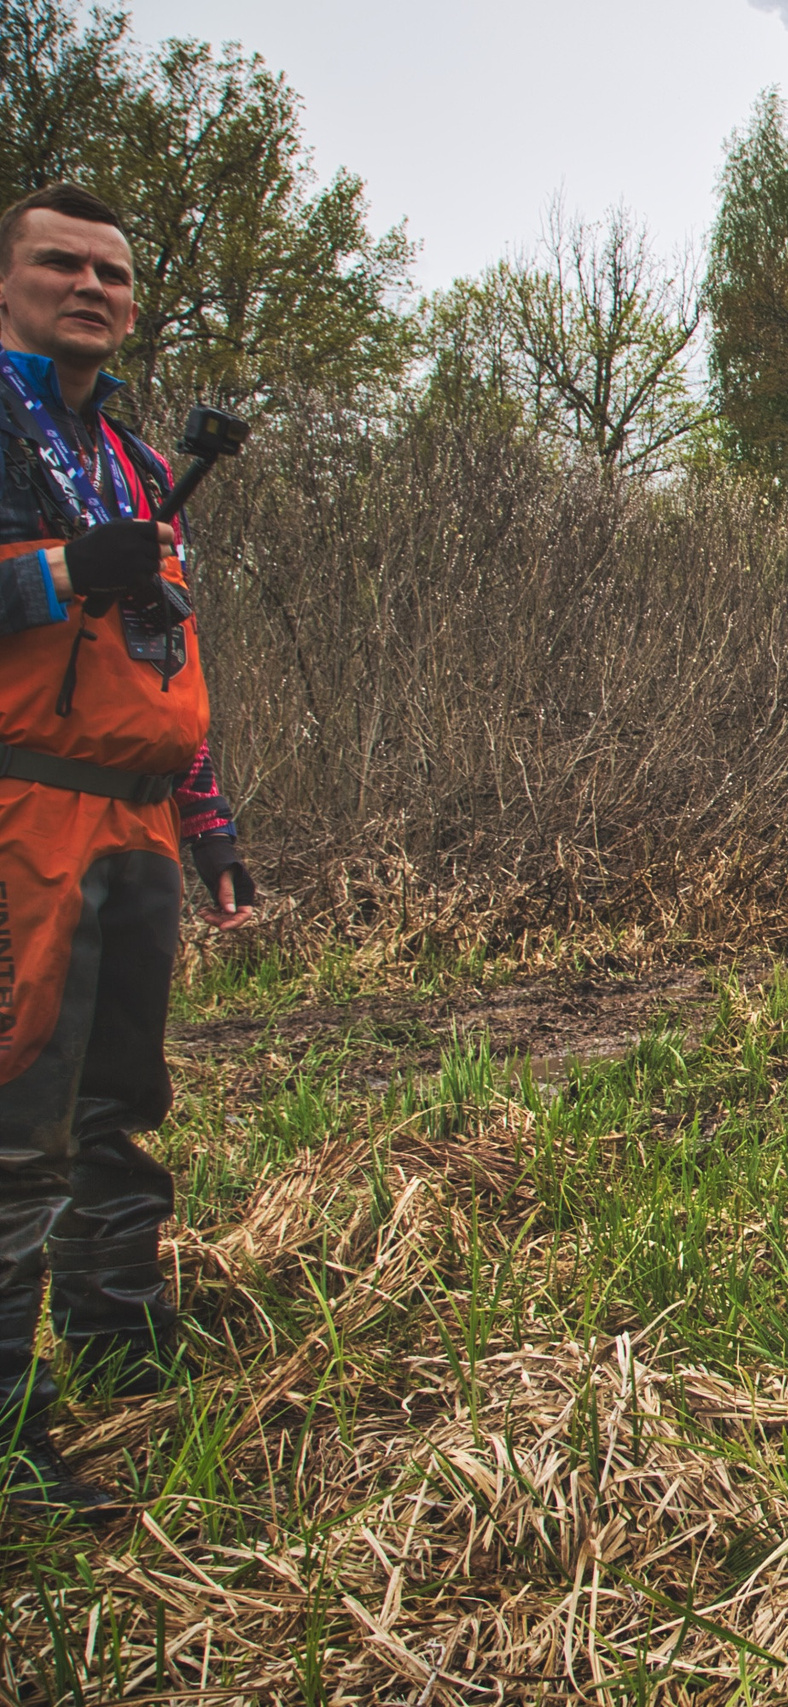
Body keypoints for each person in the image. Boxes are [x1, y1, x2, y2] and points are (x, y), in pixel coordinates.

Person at [0, 183, 258, 1510]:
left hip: (139, 818)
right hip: (21, 805)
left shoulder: (144, 464)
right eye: (59, 263)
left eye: (110, 269)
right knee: (14, 1129)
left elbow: (170, 643)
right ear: (10, 280)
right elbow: (66, 593)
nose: (88, 285)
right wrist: (51, 575)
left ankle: (116, 1337)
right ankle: (7, 1435)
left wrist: (211, 830)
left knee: (118, 1103)